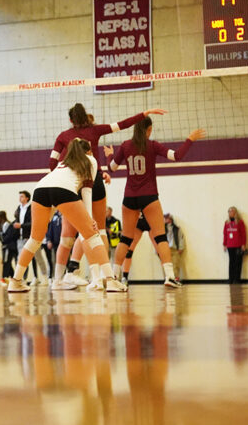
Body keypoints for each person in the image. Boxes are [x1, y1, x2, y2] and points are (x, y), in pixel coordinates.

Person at [49, 103, 165, 289]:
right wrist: (144, 113)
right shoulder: (95, 131)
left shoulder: (63, 136)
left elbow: (52, 161)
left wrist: (61, 178)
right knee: (96, 231)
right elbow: (122, 124)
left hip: (73, 184)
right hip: (93, 182)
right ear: (86, 116)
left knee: (71, 235)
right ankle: (102, 277)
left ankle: (61, 279)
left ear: (70, 120)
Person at [7, 138, 127, 293]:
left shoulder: (63, 162)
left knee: (34, 239)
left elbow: (56, 186)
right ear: (89, 151)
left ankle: (16, 281)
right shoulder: (90, 159)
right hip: (62, 191)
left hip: (40, 189)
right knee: (92, 235)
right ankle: (111, 281)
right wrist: (90, 219)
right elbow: (87, 191)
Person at [106, 117, 205, 288]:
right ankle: (169, 277)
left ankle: (114, 278)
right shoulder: (152, 145)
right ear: (149, 129)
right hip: (149, 196)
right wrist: (190, 139)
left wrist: (109, 155)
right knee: (160, 236)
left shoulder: (125, 145)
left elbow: (111, 168)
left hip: (129, 197)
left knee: (125, 239)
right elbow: (177, 156)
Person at [223, 206, 247, 283]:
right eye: (229, 211)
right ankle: (231, 279)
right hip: (230, 245)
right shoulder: (227, 223)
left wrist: (243, 244)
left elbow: (243, 234)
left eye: (232, 211)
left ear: (235, 212)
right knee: (231, 262)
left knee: (238, 262)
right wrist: (224, 244)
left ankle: (237, 279)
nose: (230, 212)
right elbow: (225, 234)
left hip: (238, 245)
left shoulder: (240, 222)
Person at [163, 212, 185, 280]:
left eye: (167, 218)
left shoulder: (177, 228)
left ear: (171, 219)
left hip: (175, 248)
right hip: (165, 249)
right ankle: (168, 279)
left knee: (176, 264)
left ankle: (176, 278)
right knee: (166, 265)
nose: (166, 220)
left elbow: (181, 238)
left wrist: (181, 248)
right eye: (165, 218)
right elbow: (159, 239)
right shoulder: (162, 229)